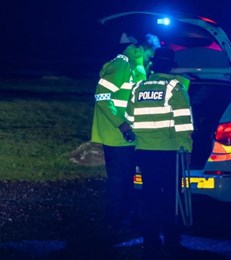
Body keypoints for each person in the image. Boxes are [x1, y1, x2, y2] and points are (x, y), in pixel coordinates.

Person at [90, 33, 161, 242]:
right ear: (145, 48)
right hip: (116, 135)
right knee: (119, 180)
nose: (154, 57)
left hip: (129, 136)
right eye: (153, 53)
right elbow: (102, 97)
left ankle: (125, 220)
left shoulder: (138, 66)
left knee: (127, 180)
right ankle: (113, 222)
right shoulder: (122, 65)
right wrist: (121, 125)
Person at [124, 49, 193, 257]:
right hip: (169, 152)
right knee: (171, 198)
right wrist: (186, 150)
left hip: (145, 151)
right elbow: (183, 122)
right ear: (171, 67)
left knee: (149, 197)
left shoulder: (138, 87)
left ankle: (150, 241)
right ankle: (172, 242)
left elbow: (130, 118)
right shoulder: (174, 87)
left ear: (153, 66)